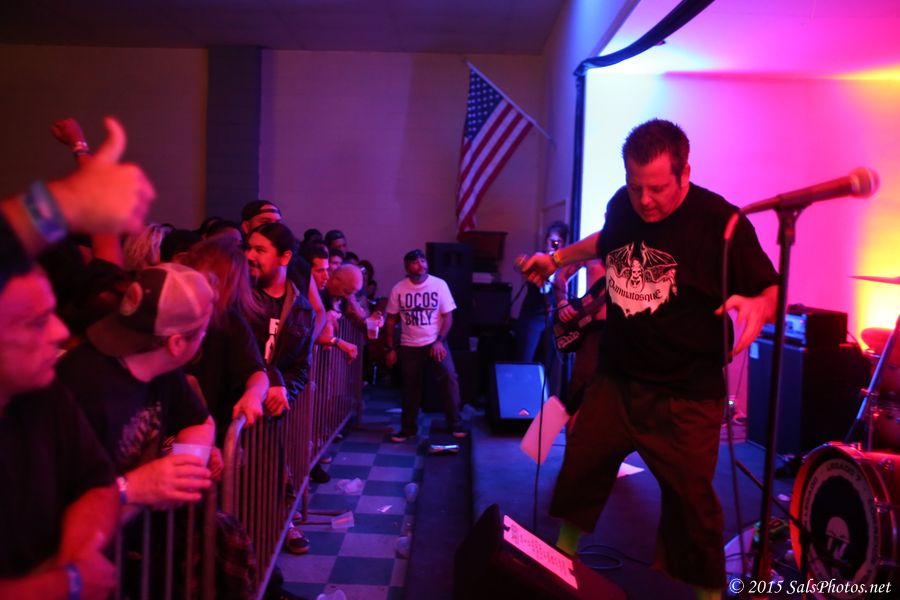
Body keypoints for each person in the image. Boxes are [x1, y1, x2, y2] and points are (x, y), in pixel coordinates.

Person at [521, 119, 778, 599]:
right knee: (582, 465)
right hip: (618, 377)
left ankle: (708, 595)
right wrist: (556, 260)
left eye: (657, 188)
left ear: (685, 173)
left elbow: (769, 286)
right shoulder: (624, 204)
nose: (645, 200)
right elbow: (607, 239)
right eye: (635, 185)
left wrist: (760, 304)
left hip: (686, 392)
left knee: (691, 506)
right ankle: (560, 561)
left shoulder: (721, 224)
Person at [0, 266, 119, 600]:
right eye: (36, 323)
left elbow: (97, 483)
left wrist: (74, 565)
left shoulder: (43, 390)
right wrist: (63, 586)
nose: (60, 330)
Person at [56, 263, 216, 509]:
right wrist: (133, 488)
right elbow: (58, 500)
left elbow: (199, 423)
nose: (203, 339)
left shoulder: (162, 369)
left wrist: (180, 474)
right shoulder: (84, 387)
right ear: (176, 344)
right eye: (203, 332)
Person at [244, 222, 315, 554]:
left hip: (271, 413)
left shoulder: (301, 308)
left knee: (270, 473)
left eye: (260, 250)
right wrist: (271, 380)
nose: (250, 256)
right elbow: (243, 354)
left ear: (285, 257)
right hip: (238, 402)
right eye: (249, 248)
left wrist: (285, 393)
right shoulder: (241, 298)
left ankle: (278, 530)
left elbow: (301, 366)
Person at [384, 249, 466, 442]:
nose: (420, 265)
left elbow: (448, 317)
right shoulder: (399, 288)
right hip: (409, 345)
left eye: (422, 261)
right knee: (410, 388)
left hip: (435, 342)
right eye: (415, 262)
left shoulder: (439, 285)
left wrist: (439, 341)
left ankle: (455, 424)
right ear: (407, 267)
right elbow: (391, 320)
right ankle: (408, 429)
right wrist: (391, 348)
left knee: (449, 379)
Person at [515, 221, 569, 395]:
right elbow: (520, 265)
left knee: (547, 364)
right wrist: (522, 265)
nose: (554, 245)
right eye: (551, 241)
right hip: (532, 317)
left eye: (558, 242)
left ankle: (542, 401)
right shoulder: (538, 259)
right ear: (546, 240)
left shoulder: (565, 265)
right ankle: (521, 400)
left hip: (551, 320)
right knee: (525, 359)